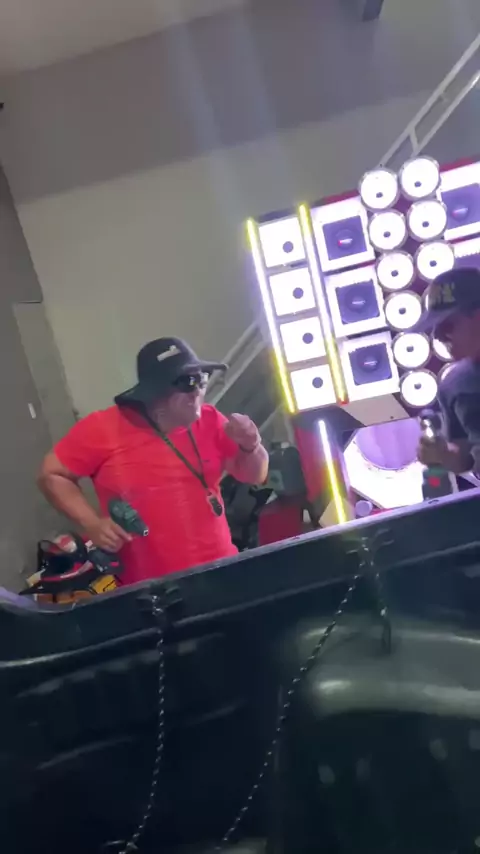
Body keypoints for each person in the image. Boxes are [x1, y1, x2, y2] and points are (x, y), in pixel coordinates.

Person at [38, 337, 269, 584]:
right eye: (188, 382)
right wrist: (92, 523)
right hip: (150, 588)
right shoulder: (103, 428)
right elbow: (51, 475)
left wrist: (251, 445)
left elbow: (255, 475)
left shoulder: (211, 420)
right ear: (156, 391)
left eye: (202, 378)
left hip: (222, 571)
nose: (198, 391)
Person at [415, 267, 480, 476]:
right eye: (435, 329)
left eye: (447, 326)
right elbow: (465, 458)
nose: (439, 337)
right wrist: (442, 455)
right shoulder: (453, 385)